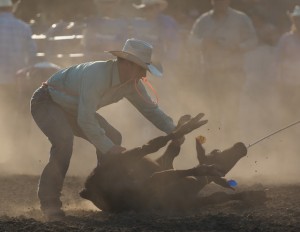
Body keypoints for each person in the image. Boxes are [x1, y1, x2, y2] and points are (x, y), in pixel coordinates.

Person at [30, 38, 182, 220]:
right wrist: (108, 148)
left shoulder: (131, 84)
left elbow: (150, 109)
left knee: (112, 136)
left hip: (72, 108)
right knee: (64, 142)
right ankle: (50, 203)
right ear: (126, 64)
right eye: (141, 69)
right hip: (47, 101)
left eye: (144, 70)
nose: (143, 74)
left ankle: (103, 191)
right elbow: (85, 119)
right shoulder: (97, 75)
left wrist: (173, 131)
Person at [189, 0, 257, 144]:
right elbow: (191, 40)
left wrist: (239, 46)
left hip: (233, 72)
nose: (220, 2)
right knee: (212, 110)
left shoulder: (241, 18)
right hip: (210, 73)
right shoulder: (203, 20)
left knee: (232, 110)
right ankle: (214, 141)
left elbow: (253, 40)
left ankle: (231, 143)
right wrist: (203, 42)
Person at [0, 0, 36, 163]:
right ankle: (19, 153)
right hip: (17, 79)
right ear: (11, 7)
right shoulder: (23, 27)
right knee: (18, 114)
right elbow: (32, 55)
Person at [276, 5, 300, 119]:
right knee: (288, 115)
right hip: (287, 84)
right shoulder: (285, 39)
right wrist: (279, 81)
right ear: (294, 21)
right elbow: (277, 61)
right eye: (297, 19)